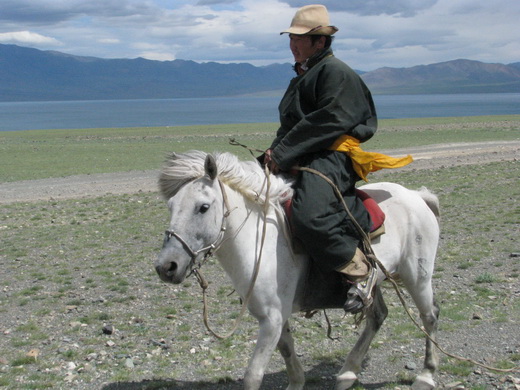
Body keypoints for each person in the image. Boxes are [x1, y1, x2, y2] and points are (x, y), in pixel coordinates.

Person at [262, 4, 378, 313]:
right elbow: (291, 126)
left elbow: (330, 120)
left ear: (320, 42)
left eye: (299, 39)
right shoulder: (305, 75)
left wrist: (284, 152)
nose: (293, 45)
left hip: (332, 156)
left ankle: (358, 270)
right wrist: (271, 155)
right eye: (291, 39)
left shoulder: (335, 72)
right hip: (305, 152)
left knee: (310, 215)